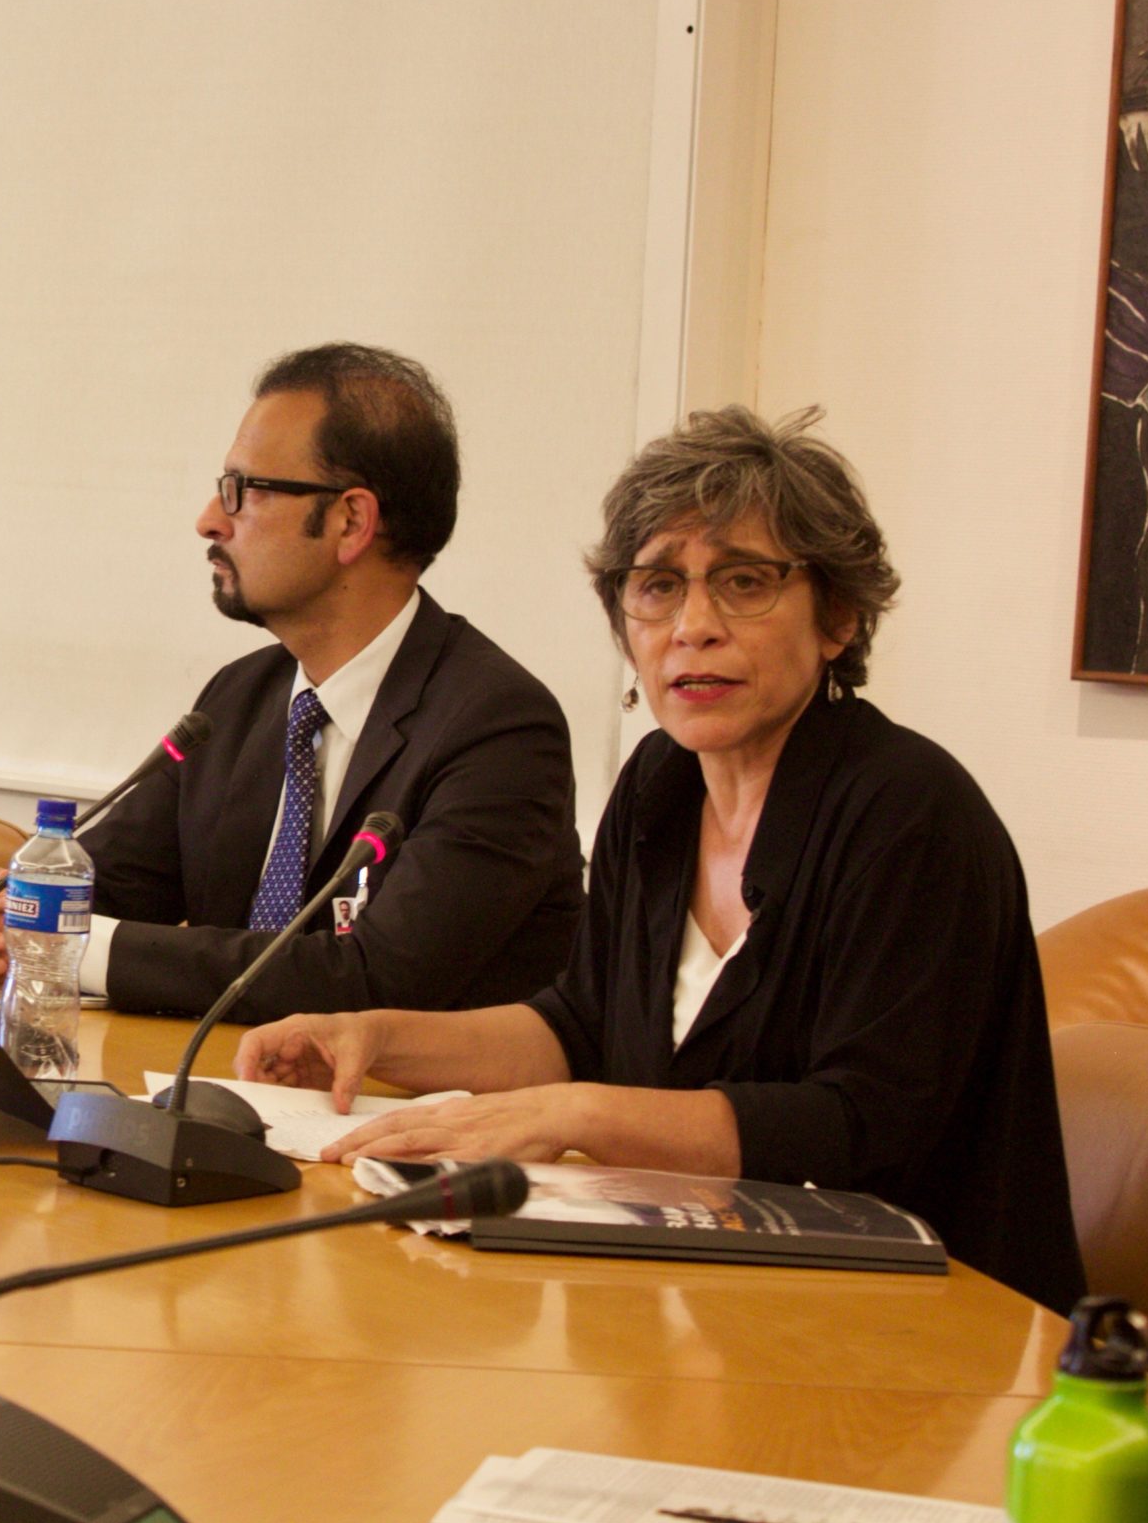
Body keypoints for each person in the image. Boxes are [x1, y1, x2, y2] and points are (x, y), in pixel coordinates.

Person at [237, 406, 1085, 1316]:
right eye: (657, 587)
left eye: (745, 582)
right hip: (709, 1303)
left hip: (922, 1329)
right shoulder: (661, 784)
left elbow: (858, 1127)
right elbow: (581, 1023)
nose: (694, 625)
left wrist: (577, 1114)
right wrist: (375, 1035)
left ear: (837, 616)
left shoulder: (910, 813)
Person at [0, 344, 583, 1021]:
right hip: (223, 1089)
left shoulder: (498, 729)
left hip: (415, 1114)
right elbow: (106, 888)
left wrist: (71, 945)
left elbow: (378, 978)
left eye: (243, 490)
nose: (210, 518)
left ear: (351, 520)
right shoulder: (238, 700)